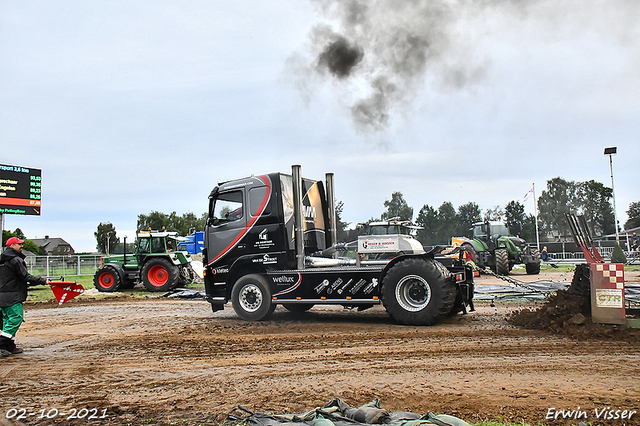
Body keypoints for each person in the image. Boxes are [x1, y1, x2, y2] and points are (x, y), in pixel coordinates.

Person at [0, 237, 49, 357]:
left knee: (7, 320)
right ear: (12, 246)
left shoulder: (3, 260)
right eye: (19, 244)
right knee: (16, 318)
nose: (21, 246)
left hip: (3, 295)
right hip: (12, 295)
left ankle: (9, 346)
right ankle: (1, 345)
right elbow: (25, 276)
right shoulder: (15, 260)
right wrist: (43, 281)